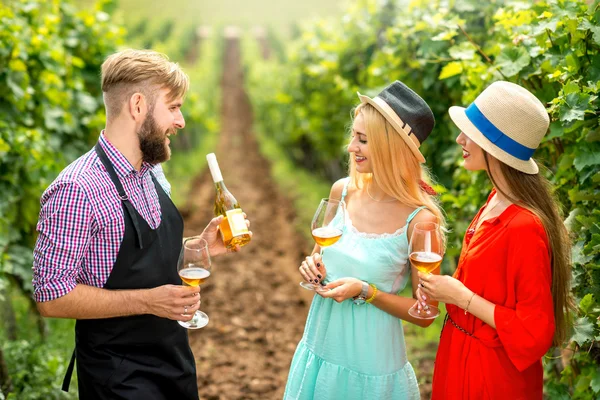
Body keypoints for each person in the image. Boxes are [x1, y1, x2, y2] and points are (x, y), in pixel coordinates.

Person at [32, 49, 249, 400]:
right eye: (174, 107)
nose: (180, 122)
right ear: (137, 106)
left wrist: (201, 247)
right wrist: (149, 302)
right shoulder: (77, 190)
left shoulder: (153, 173)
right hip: (118, 377)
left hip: (173, 361)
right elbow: (51, 297)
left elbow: (141, 257)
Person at [284, 81, 445, 400]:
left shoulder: (421, 221)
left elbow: (426, 314)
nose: (350, 147)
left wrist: (367, 291)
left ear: (389, 148)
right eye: (352, 136)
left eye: (362, 140)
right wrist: (312, 265)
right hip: (321, 344)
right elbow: (321, 255)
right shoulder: (340, 192)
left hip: (372, 366)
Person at [417, 81, 573, 399]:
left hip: (492, 377)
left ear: (494, 145)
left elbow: (535, 330)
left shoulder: (525, 226)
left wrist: (461, 297)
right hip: (461, 356)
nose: (460, 139)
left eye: (470, 132)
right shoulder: (495, 199)